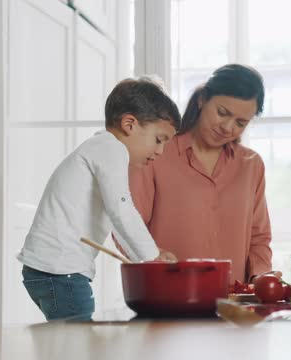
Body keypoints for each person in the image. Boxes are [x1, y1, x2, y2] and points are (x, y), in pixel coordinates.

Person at [17, 77, 181, 321]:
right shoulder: (110, 148)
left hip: (48, 268)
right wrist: (152, 256)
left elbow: (116, 222)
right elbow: (121, 210)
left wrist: (146, 258)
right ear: (129, 124)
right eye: (159, 140)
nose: (160, 152)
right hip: (62, 270)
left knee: (69, 341)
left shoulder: (100, 149)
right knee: (79, 342)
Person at [129, 64, 275, 284]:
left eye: (240, 123)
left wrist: (260, 277)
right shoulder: (156, 153)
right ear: (202, 99)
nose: (228, 127)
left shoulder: (251, 165)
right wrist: (154, 257)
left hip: (233, 304)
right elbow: (128, 224)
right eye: (222, 113)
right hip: (167, 297)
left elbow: (259, 238)